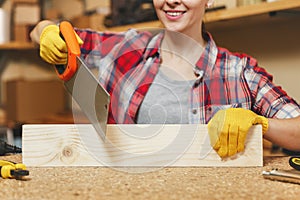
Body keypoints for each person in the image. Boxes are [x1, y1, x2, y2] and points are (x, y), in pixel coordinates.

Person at [30, 0, 300, 158]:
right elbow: (51, 31)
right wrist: (44, 32)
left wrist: (261, 123)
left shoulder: (238, 72)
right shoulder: (126, 48)